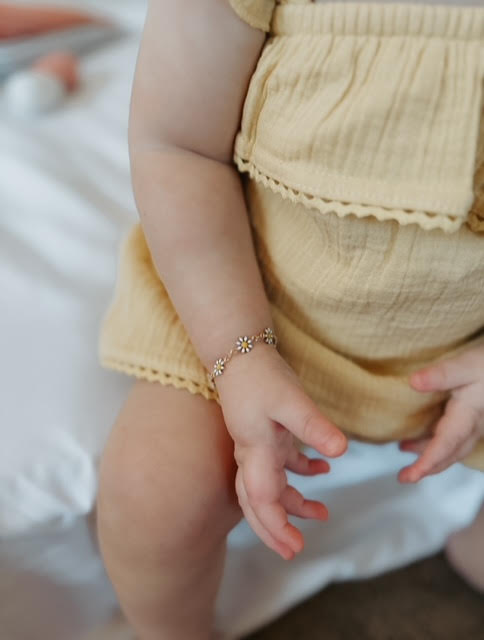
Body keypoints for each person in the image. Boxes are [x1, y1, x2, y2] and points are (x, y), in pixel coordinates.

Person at [95, 1, 484, 638]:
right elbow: (178, 145)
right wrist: (241, 355)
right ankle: (172, 629)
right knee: (154, 493)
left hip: (468, 346)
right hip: (248, 307)